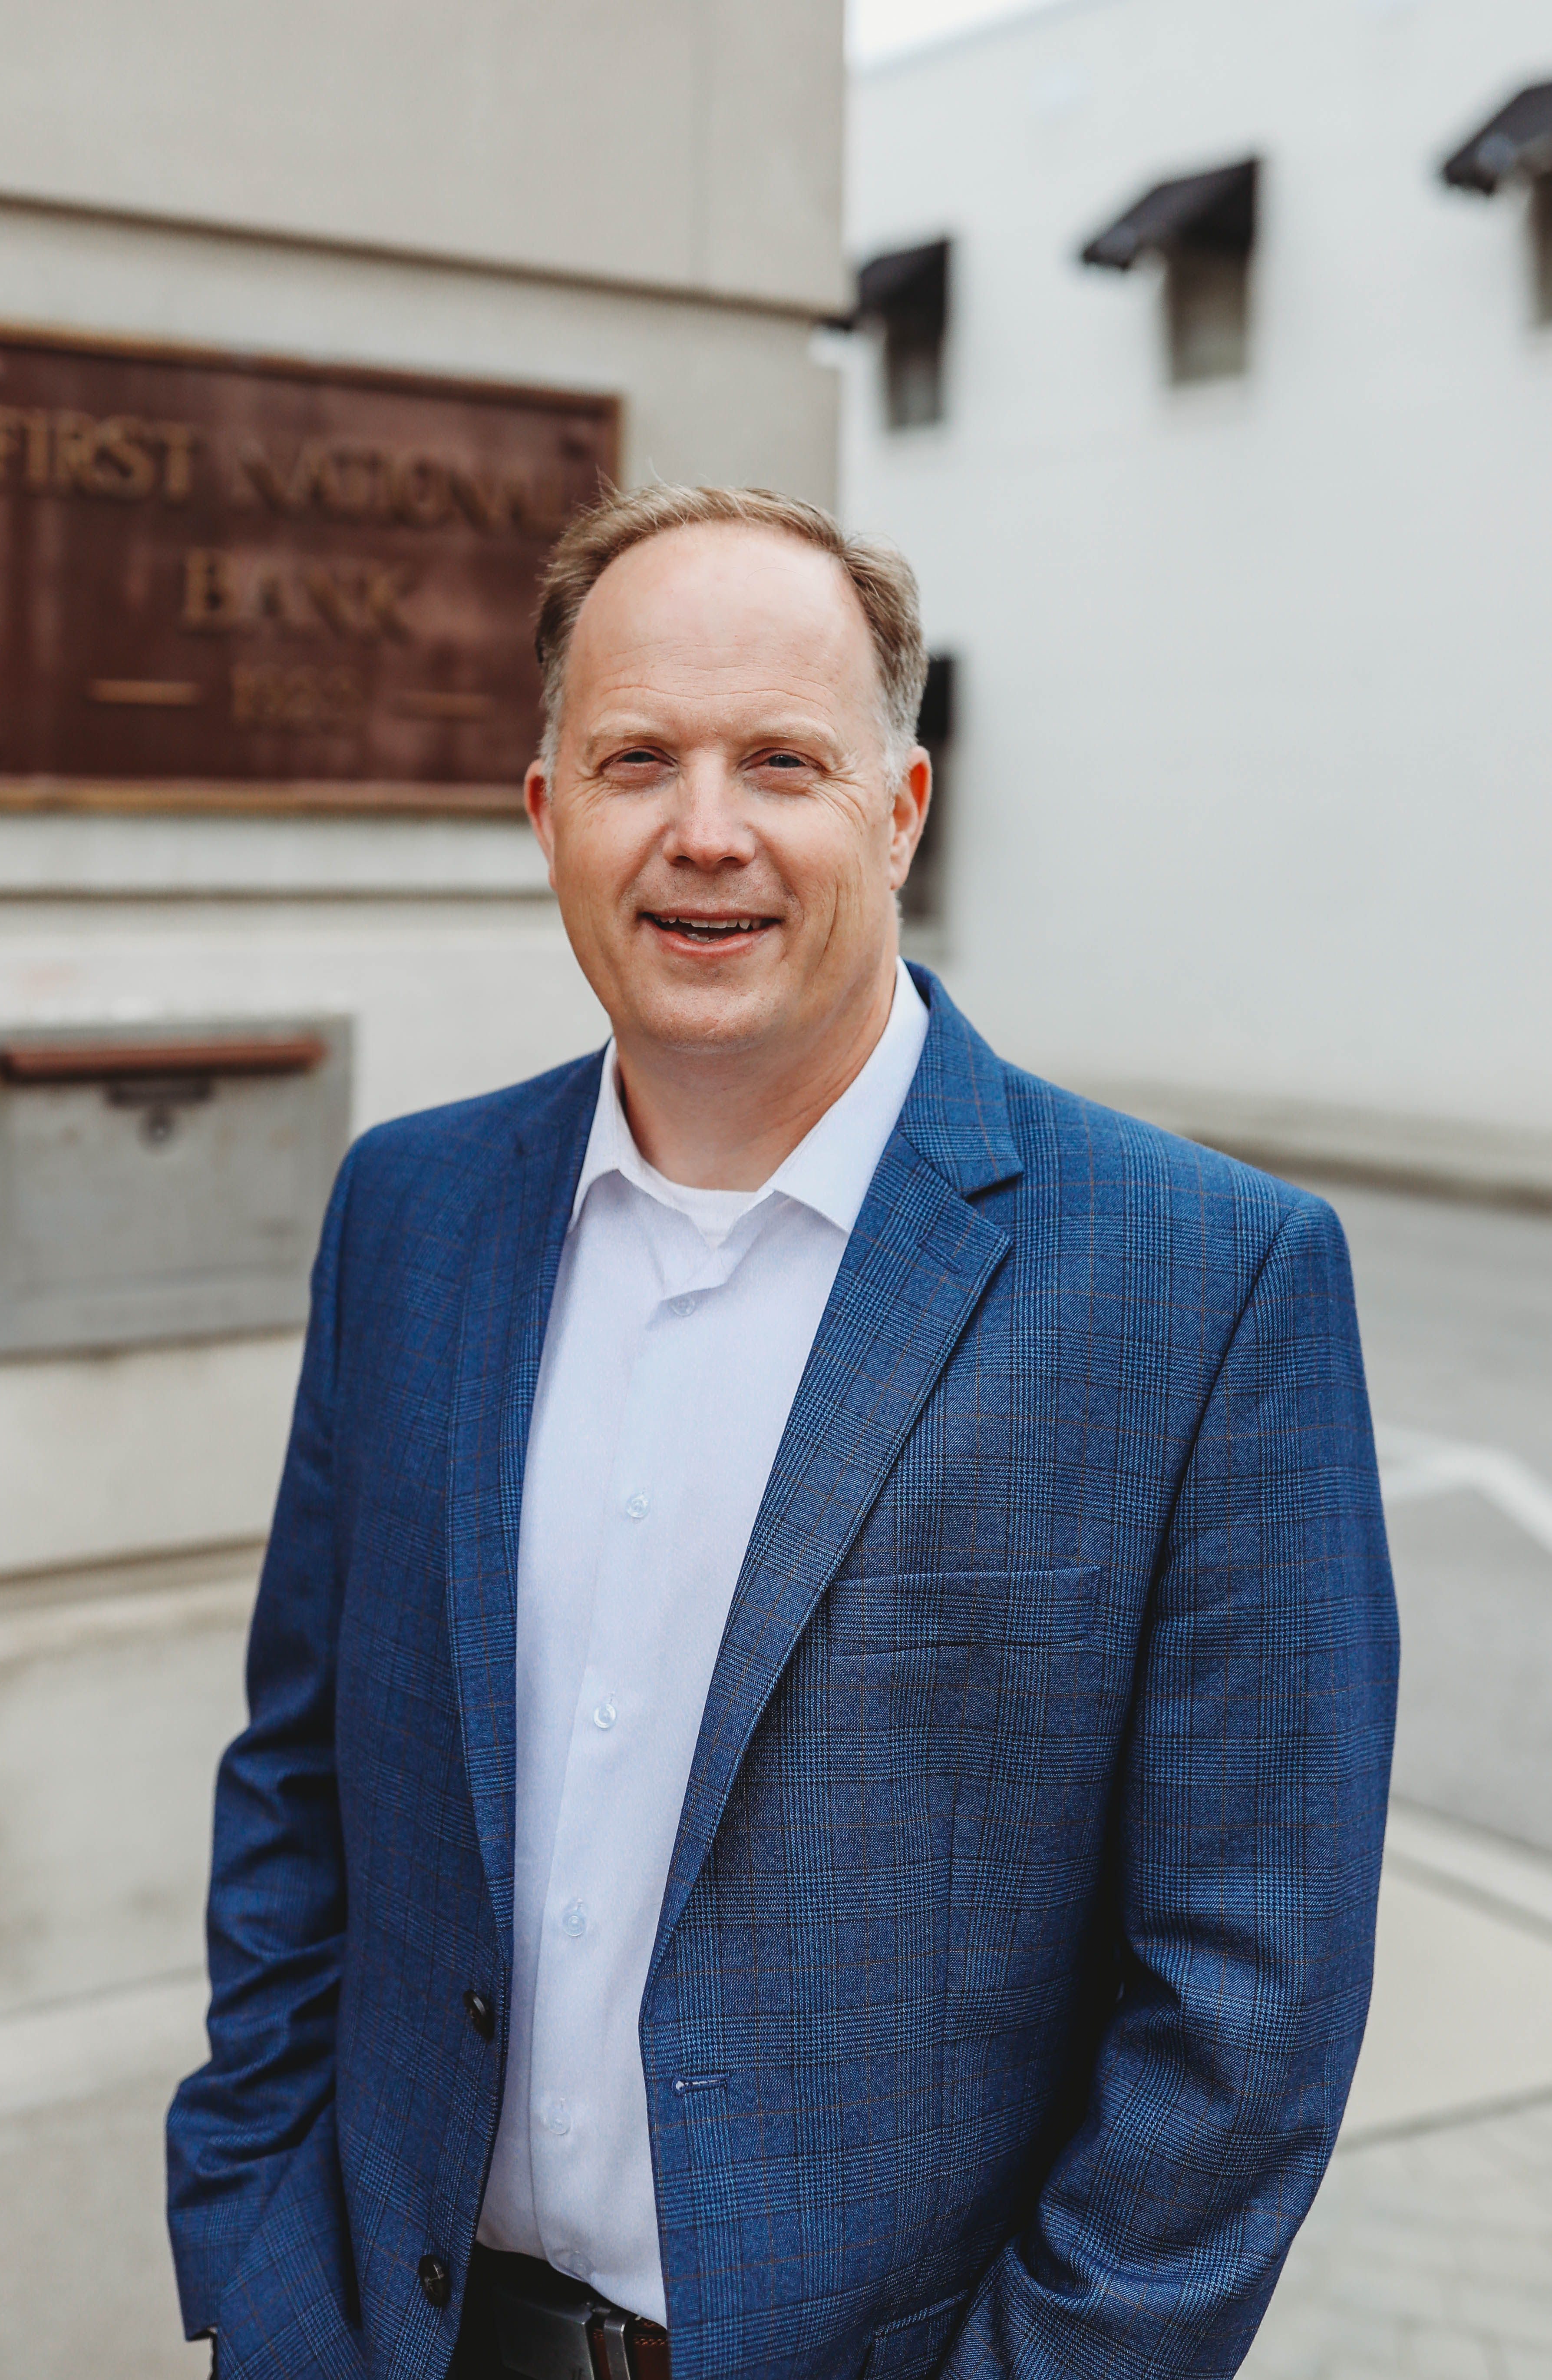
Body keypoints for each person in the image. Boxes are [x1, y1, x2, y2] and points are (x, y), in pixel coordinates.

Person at [167, 485, 1398, 2380]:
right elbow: (303, 1782)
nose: (705, 831)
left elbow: (1245, 2005)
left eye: (781, 760)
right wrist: (258, 2257)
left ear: (898, 809)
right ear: (546, 812)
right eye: (636, 758)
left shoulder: (1199, 1281)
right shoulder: (407, 1212)